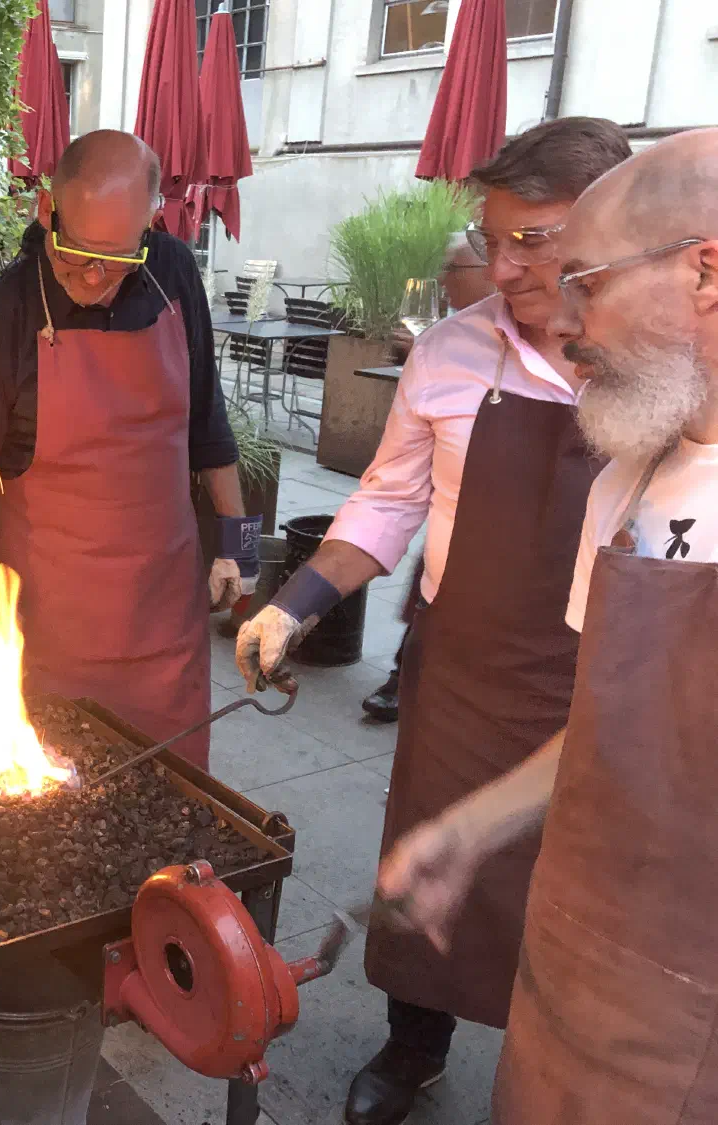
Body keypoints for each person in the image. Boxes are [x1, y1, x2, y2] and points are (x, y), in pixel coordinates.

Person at [235, 117, 632, 1125]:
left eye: (531, 241)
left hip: (617, 685)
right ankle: (415, 1046)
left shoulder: (672, 368)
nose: (500, 267)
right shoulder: (453, 354)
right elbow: (385, 501)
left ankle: (575, 1073)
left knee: (592, 900)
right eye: (489, 240)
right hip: (468, 672)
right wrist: (296, 602)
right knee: (427, 869)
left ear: (612, 230)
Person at [379, 127, 718, 1125]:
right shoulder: (628, 478)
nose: (572, 322)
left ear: (706, 271)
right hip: (581, 980)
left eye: (592, 280)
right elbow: (614, 725)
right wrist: (473, 828)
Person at [0, 130, 255, 770]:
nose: (93, 276)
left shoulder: (172, 272)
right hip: (55, 635)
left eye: (115, 258)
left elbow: (207, 421)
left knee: (171, 804)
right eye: (75, 252)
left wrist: (239, 544)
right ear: (46, 213)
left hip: (165, 621)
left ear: (150, 224)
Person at [362, 233, 498, 722]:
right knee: (430, 587)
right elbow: (393, 490)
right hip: (452, 539)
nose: (441, 281)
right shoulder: (445, 343)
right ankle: (405, 675)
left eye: (451, 270)